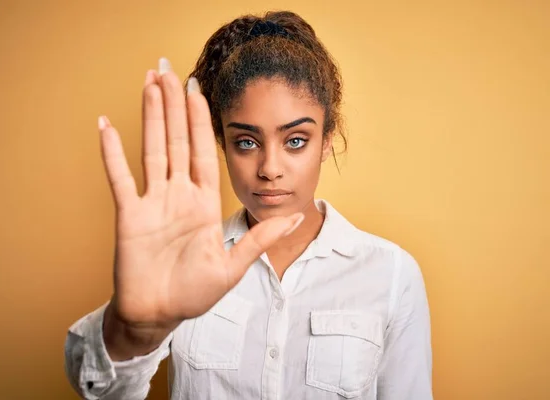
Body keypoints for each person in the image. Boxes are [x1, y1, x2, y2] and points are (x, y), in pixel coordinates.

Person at [64, 10, 432, 400]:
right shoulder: (186, 263)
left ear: (326, 139)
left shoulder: (391, 275)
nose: (270, 169)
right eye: (246, 142)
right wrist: (132, 331)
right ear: (222, 144)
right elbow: (100, 390)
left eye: (295, 140)